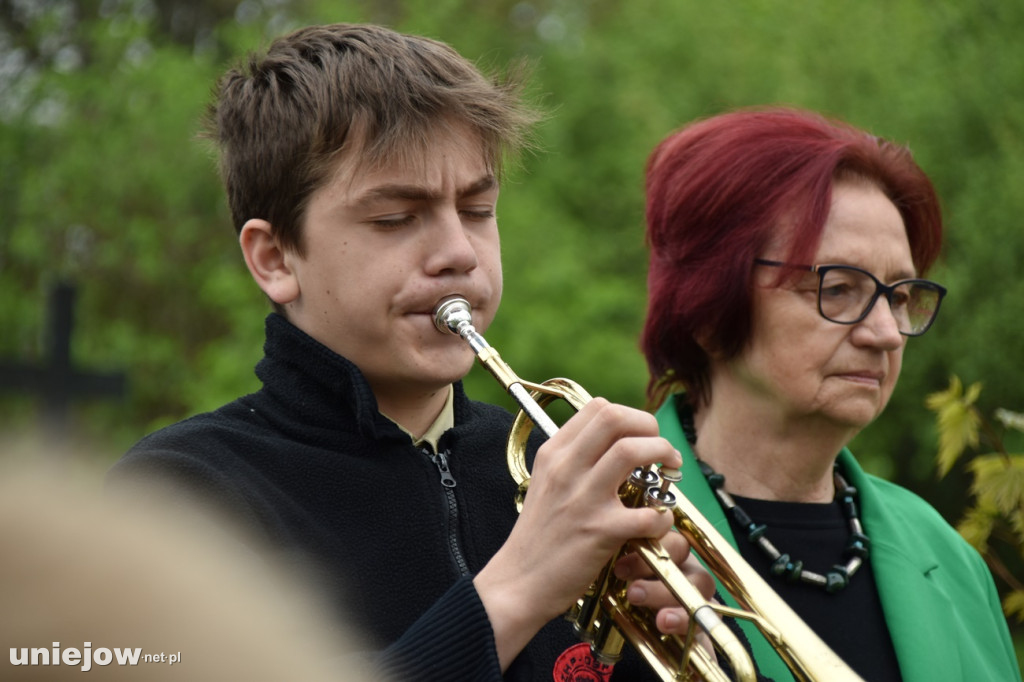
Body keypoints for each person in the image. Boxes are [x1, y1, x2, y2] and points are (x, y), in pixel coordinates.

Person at [110, 23, 712, 681]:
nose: (458, 251)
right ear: (275, 258)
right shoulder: (177, 496)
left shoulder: (553, 471)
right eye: (395, 218)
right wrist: (517, 588)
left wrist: (684, 651)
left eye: (478, 210)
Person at [640, 106, 1021, 681]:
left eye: (898, 296)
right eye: (839, 288)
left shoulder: (949, 557)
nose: (887, 334)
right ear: (708, 313)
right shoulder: (609, 536)